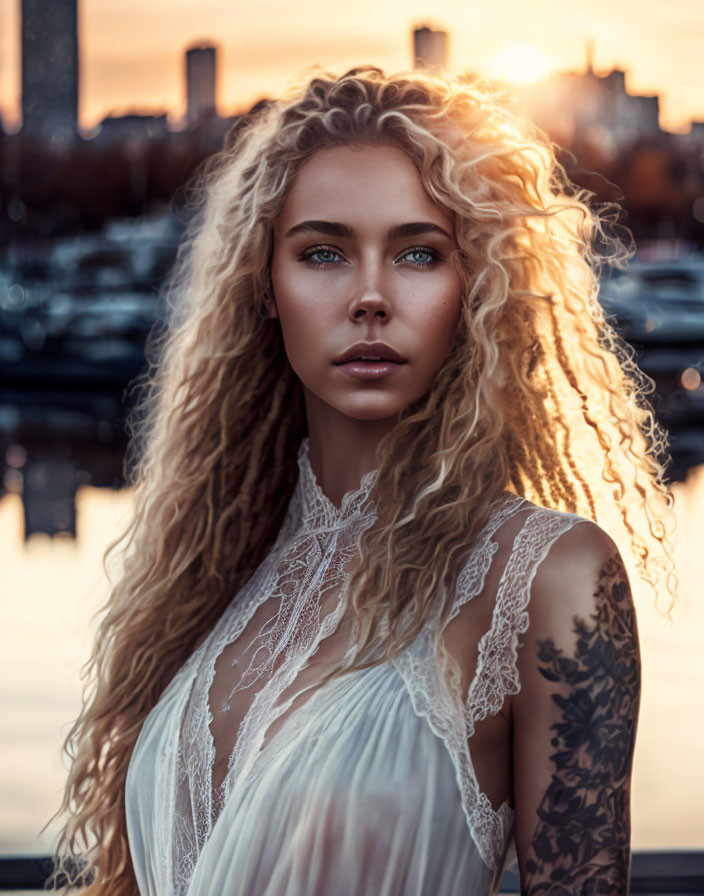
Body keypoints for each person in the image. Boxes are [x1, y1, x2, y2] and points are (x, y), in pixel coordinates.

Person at [52, 66, 675, 895]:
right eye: (323, 253)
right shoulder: (210, 574)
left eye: (419, 253)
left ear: (475, 284)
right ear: (266, 287)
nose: (371, 298)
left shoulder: (547, 577)